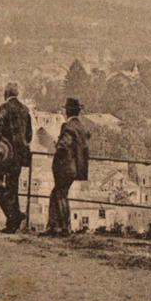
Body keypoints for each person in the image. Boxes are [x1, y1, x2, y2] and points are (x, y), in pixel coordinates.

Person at [0, 83, 33, 234]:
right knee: (13, 187)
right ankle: (12, 222)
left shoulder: (4, 109)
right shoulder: (25, 110)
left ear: (5, 94)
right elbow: (29, 136)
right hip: (19, 156)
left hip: (4, 156)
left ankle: (13, 216)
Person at [46, 97, 90, 237]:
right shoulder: (82, 127)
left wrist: (57, 145)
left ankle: (64, 227)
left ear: (68, 111)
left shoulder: (68, 126)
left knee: (60, 195)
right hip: (76, 168)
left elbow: (64, 145)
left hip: (64, 167)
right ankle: (55, 227)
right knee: (57, 194)